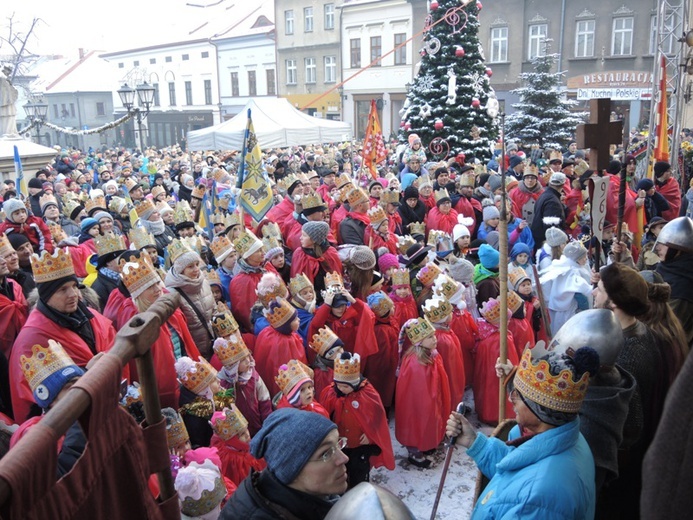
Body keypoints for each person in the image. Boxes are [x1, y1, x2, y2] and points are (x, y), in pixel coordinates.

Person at [446, 347, 599, 519]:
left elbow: (527, 487)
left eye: (519, 395)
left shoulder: (535, 501)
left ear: (540, 410)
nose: (511, 398)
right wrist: (475, 443)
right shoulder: (567, 437)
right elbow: (518, 472)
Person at [9, 248, 117, 422]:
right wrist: (87, 372)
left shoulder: (90, 315)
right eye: (62, 289)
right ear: (46, 296)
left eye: (74, 286)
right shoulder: (31, 339)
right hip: (77, 426)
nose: (73, 294)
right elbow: (37, 400)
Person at [220, 408, 349, 519]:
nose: (344, 458)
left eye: (338, 444)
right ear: (291, 470)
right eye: (325, 453)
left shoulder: (318, 495)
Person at [395, 318, 451, 468]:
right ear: (419, 341)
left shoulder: (431, 354)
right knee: (418, 423)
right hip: (420, 403)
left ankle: (427, 443)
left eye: (433, 335)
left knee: (429, 421)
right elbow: (418, 390)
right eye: (430, 337)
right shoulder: (415, 362)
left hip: (433, 398)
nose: (435, 339)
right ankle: (415, 452)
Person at [654, 216, 693, 344]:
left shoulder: (683, 283)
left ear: (677, 250)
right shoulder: (668, 268)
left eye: (664, 245)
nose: (658, 248)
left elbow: (666, 329)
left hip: (673, 350)